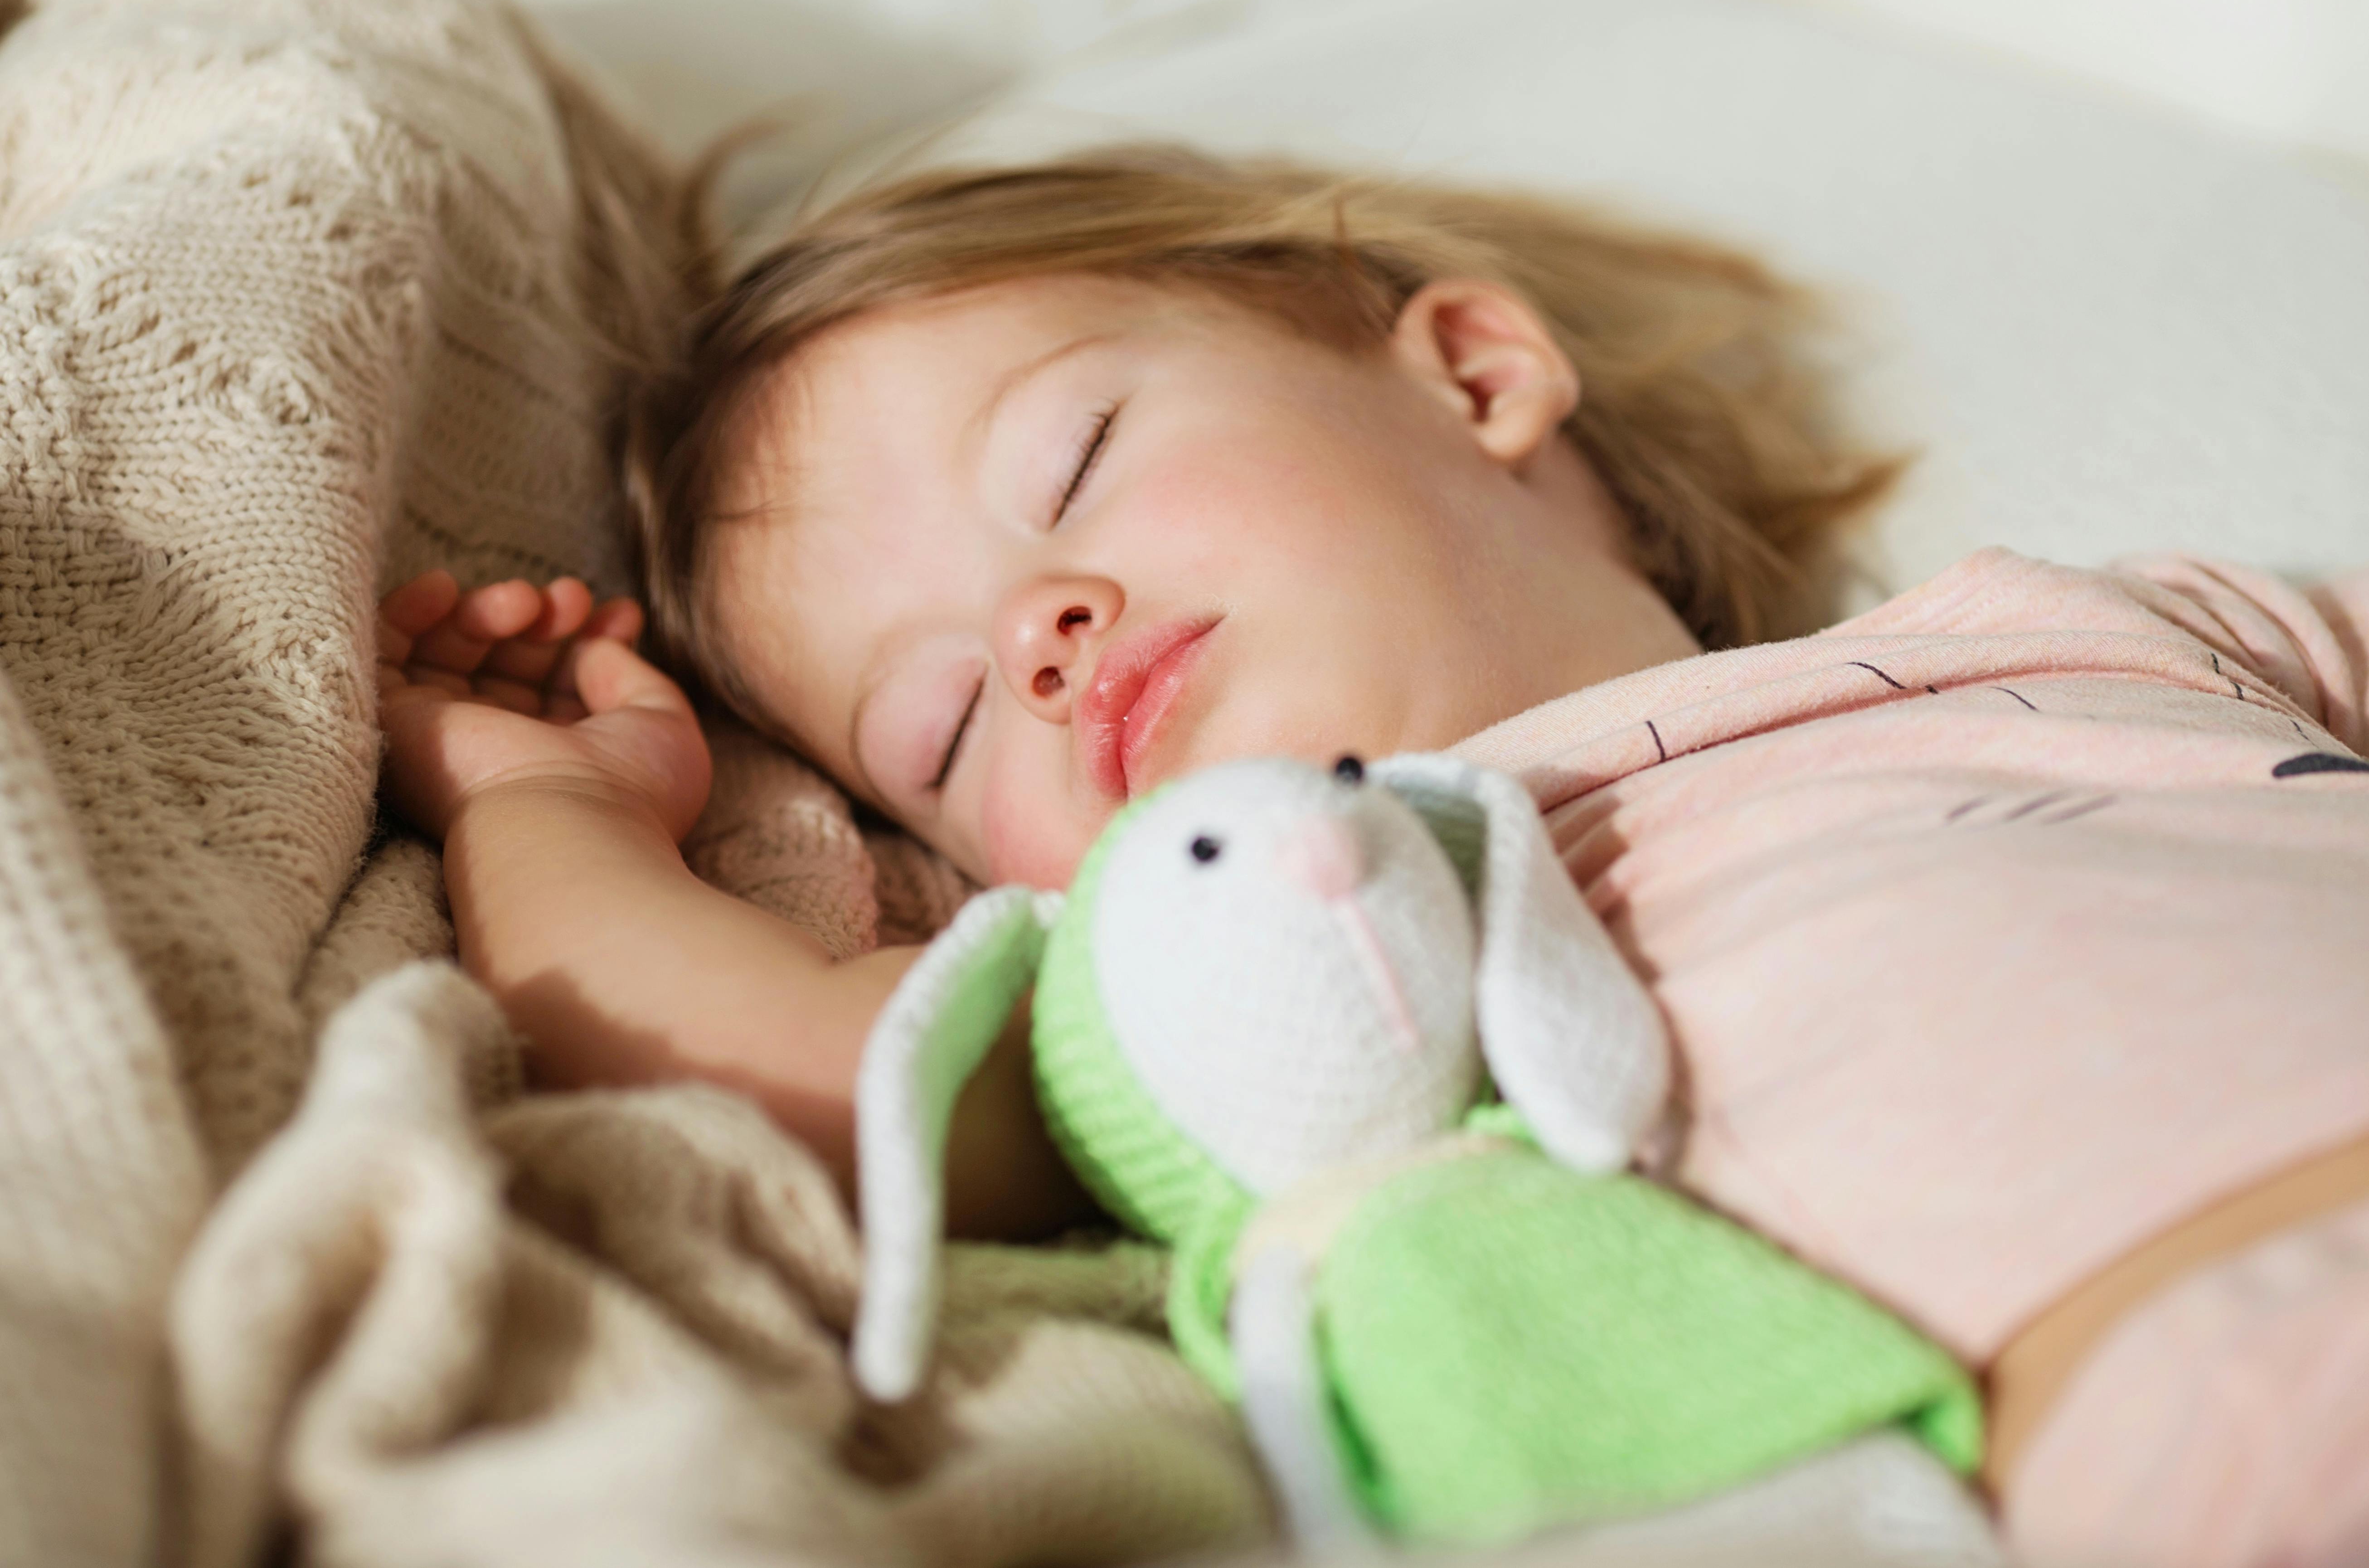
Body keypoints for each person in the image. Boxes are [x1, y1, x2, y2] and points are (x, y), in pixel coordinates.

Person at [374, 149, 2369, 1567]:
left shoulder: (2083, 622)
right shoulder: (1305, 942)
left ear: (1472, 373)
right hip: (2207, 1372)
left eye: (1067, 465)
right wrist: (541, 809)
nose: (1033, 635)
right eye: (943, 726)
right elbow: (783, 1068)